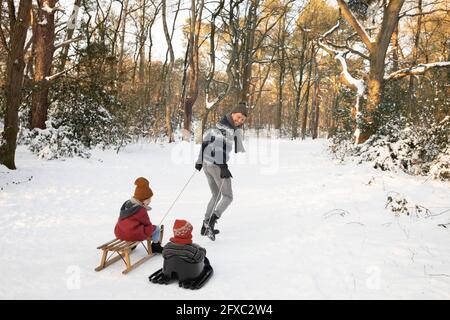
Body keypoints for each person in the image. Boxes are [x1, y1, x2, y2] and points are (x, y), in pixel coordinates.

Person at [195, 102, 248, 240]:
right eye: (238, 117)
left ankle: (204, 225)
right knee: (228, 196)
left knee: (215, 195)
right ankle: (211, 221)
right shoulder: (227, 129)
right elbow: (218, 147)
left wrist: (200, 160)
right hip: (216, 165)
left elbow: (206, 141)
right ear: (232, 114)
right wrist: (223, 167)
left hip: (207, 164)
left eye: (243, 119)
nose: (239, 121)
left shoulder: (220, 124)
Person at [114, 177, 163, 253]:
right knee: (156, 229)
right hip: (132, 235)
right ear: (143, 199)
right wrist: (151, 229)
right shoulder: (140, 210)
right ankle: (155, 246)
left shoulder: (127, 204)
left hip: (120, 232)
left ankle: (133, 244)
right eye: (149, 199)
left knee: (133, 226)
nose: (150, 201)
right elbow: (147, 224)